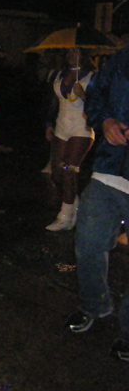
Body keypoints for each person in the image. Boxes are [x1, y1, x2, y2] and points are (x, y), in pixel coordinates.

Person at [66, 44, 129, 362]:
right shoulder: (121, 59)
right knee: (88, 243)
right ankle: (95, 305)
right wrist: (104, 122)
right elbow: (96, 95)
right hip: (109, 171)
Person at [44, 48, 95, 231]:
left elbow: (100, 103)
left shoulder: (91, 76)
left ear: (84, 54)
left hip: (81, 127)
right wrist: (48, 124)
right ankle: (73, 202)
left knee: (69, 170)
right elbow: (53, 102)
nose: (71, 56)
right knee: (57, 172)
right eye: (69, 53)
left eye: (76, 53)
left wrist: (84, 95)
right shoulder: (59, 74)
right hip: (61, 126)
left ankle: (65, 217)